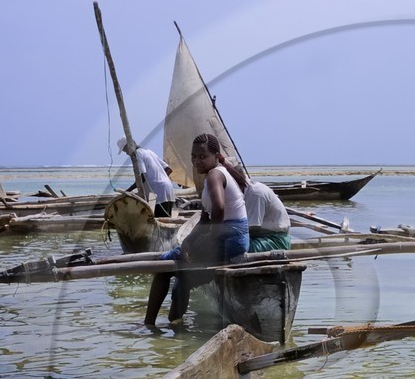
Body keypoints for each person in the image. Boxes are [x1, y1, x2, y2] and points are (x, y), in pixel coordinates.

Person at [144, 134, 249, 326]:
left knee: (162, 265)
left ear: (216, 156)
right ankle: (175, 326)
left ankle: (149, 325)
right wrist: (188, 242)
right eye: (193, 157)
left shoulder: (215, 174)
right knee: (183, 277)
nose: (196, 161)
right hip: (232, 236)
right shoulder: (215, 174)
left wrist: (207, 242)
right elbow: (205, 218)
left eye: (202, 157)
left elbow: (218, 209)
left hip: (229, 237)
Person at [219, 156, 291, 252]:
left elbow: (251, 229)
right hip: (256, 237)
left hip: (275, 240)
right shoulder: (238, 194)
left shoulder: (255, 193)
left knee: (233, 248)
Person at [116, 136, 179, 215]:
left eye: (126, 150)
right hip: (168, 189)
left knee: (158, 220)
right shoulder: (149, 152)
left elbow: (142, 177)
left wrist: (127, 192)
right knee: (166, 219)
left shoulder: (137, 154)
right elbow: (168, 170)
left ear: (130, 145)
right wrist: (160, 179)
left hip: (158, 193)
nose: (127, 154)